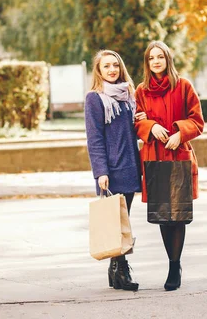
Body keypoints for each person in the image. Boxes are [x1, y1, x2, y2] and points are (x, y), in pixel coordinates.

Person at [134, 41, 204, 291]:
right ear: (147, 62)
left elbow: (198, 121)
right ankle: (172, 262)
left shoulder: (183, 86)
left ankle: (176, 265)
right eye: (151, 57)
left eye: (160, 56)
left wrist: (179, 132)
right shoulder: (141, 90)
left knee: (179, 216)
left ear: (167, 59)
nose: (156, 61)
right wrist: (150, 126)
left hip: (179, 155)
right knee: (164, 216)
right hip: (155, 157)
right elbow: (136, 121)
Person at [84, 49, 146, 291]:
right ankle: (121, 271)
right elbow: (95, 138)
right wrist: (100, 171)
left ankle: (115, 271)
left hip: (130, 165)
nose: (111, 70)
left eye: (115, 65)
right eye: (106, 66)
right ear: (98, 71)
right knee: (116, 222)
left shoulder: (128, 96)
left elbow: (129, 131)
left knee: (124, 220)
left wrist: (138, 119)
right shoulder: (95, 98)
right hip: (111, 169)